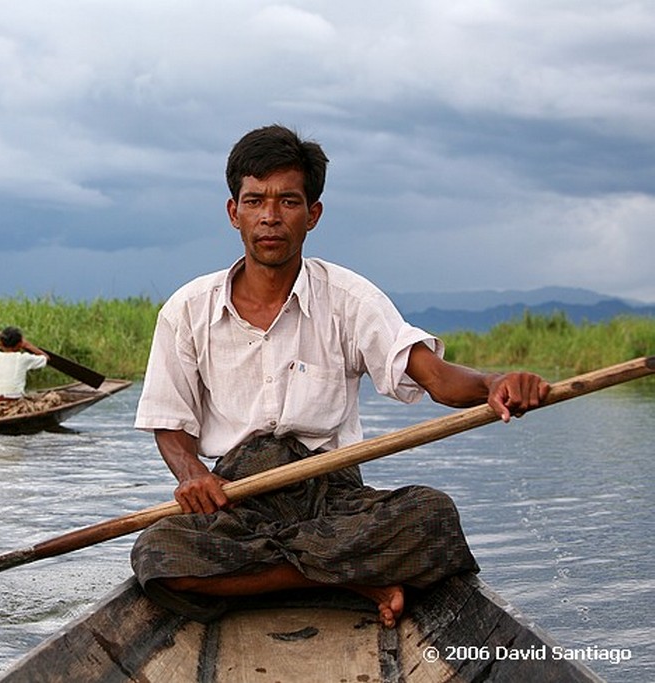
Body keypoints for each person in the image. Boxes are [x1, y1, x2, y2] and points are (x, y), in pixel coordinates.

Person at [131, 124, 550, 629]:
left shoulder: (350, 299)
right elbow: (170, 425)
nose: (269, 216)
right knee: (158, 553)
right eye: (255, 200)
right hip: (238, 496)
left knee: (432, 516)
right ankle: (347, 578)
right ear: (233, 212)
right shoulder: (188, 310)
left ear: (312, 215)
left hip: (333, 496)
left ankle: (284, 574)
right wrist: (193, 476)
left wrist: (492, 384)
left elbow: (436, 377)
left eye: (287, 201)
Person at [0, 327, 61, 417]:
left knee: (32, 395)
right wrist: (28, 346)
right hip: (15, 407)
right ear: (20, 344)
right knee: (54, 397)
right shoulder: (23, 358)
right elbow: (46, 358)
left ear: (0, 343)